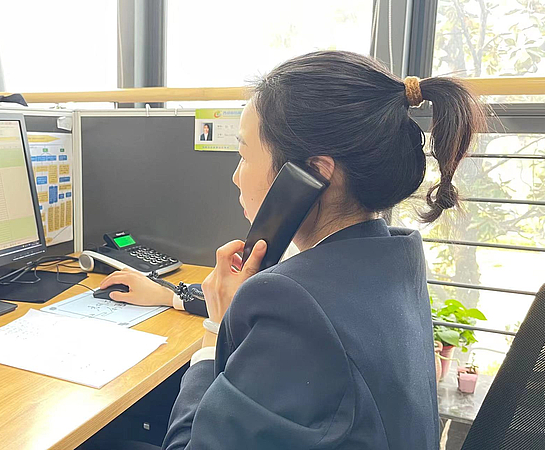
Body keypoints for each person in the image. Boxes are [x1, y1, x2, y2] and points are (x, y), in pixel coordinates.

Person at [98, 50, 484, 449]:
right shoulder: (394, 259)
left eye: (244, 155)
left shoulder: (291, 302)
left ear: (313, 172)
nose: (236, 177)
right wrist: (177, 298)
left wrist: (214, 338)